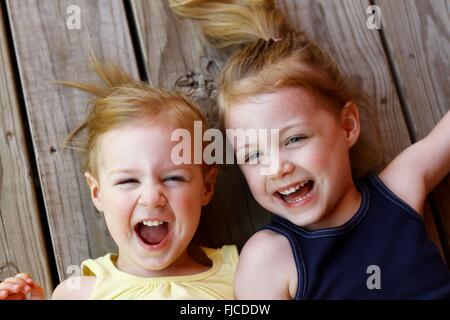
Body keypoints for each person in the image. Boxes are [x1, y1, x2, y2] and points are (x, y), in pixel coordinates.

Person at [170, 0, 450, 299]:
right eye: (253, 155)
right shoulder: (269, 260)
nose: (277, 167)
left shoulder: (396, 193)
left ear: (347, 126)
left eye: (294, 140)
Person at [0, 57, 238, 300]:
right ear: (97, 193)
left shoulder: (240, 275)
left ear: (206, 187)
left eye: (173, 178)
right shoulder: (80, 293)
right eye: (128, 181)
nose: (152, 198)